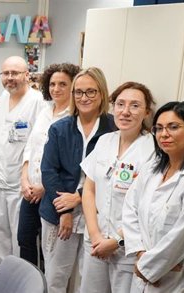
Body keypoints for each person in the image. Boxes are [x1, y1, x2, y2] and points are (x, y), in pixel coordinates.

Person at [122, 101, 184, 293]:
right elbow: (130, 209)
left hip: (180, 279)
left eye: (173, 127)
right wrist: (141, 256)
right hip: (142, 270)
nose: (164, 134)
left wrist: (149, 268)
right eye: (158, 128)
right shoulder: (152, 169)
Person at [40, 67, 116, 293]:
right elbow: (49, 170)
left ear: (102, 93)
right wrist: (64, 211)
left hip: (96, 214)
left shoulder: (113, 129)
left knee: (87, 279)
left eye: (91, 92)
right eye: (79, 92)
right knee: (55, 275)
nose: (84, 98)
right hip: (58, 210)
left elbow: (109, 174)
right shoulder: (59, 129)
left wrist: (79, 197)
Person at [80, 82, 156, 293]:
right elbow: (89, 189)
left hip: (126, 249)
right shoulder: (105, 141)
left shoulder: (153, 150)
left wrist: (116, 241)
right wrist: (95, 235)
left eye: (134, 106)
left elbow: (146, 206)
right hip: (95, 242)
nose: (125, 111)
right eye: (120, 104)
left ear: (147, 112)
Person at [18, 63, 80, 267]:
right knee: (25, 238)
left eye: (63, 84)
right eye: (52, 84)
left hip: (52, 192)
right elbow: (30, 147)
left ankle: (44, 284)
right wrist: (24, 179)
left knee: (49, 248)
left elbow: (68, 164)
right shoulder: (44, 112)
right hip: (30, 189)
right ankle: (28, 283)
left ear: (73, 86)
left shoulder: (74, 118)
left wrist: (44, 188)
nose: (56, 89)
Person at [0, 56, 45, 279]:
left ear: (26, 75)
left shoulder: (37, 101)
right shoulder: (3, 97)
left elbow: (39, 143)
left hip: (21, 179)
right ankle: (2, 267)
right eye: (5, 73)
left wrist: (31, 177)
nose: (9, 78)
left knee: (18, 231)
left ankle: (18, 273)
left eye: (15, 73)